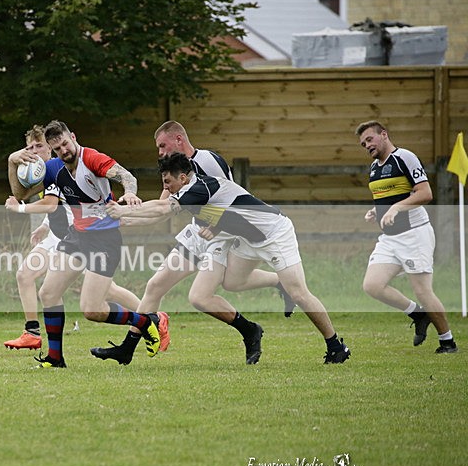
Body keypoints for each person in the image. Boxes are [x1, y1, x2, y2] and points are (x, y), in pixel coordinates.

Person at [105, 152, 351, 364]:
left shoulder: (198, 188)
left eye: (168, 182)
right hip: (246, 240)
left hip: (275, 234)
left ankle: (336, 346)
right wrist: (123, 219)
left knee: (299, 293)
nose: (166, 187)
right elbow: (161, 213)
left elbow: (161, 209)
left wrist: (123, 209)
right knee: (232, 282)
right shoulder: (189, 189)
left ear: (183, 177)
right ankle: (277, 283)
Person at [96, 120, 294, 365]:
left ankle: (250, 329)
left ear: (178, 140)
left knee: (200, 297)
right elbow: (164, 209)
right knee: (156, 285)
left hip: (219, 234)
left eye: (162, 145)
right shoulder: (173, 170)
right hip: (197, 232)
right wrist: (125, 220)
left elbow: (230, 198)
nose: (159, 152)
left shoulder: (208, 161)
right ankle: (126, 350)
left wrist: (217, 227)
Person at [5, 120, 169, 368]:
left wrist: (131, 192)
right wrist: (12, 161)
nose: (63, 151)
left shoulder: (91, 158)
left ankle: (145, 321)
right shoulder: (53, 168)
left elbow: (125, 175)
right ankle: (55, 358)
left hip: (105, 240)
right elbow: (19, 194)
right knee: (48, 293)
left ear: (73, 136)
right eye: (57, 148)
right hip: (77, 236)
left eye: (64, 144)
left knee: (92, 310)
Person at [355, 121, 458, 354]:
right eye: (363, 144)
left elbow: (425, 193)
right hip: (389, 238)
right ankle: (418, 315)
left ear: (384, 134)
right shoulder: (374, 167)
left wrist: (395, 209)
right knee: (372, 285)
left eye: (370, 139)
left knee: (423, 291)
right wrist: (378, 211)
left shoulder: (405, 157)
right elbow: (389, 196)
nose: (367, 145)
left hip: (414, 234)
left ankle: (447, 341)